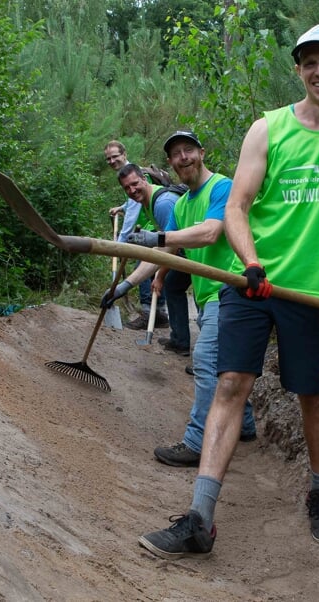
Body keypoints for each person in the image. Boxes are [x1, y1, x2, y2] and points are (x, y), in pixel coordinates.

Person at [138, 24, 319, 559]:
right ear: (298, 70)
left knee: (312, 396)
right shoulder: (268, 129)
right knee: (230, 384)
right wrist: (250, 261)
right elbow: (236, 207)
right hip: (252, 285)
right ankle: (200, 518)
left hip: (313, 292)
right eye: (309, 62)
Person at [100, 131, 258, 467]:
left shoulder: (222, 188)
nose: (183, 157)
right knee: (228, 362)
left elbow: (210, 232)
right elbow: (164, 253)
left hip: (228, 291)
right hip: (205, 296)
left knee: (203, 360)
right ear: (170, 163)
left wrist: (158, 235)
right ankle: (243, 424)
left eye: (188, 150)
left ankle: (197, 442)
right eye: (176, 154)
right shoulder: (183, 204)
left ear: (201, 153)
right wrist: (124, 286)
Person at [103, 140, 169, 329]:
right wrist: (121, 207)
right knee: (154, 269)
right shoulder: (131, 173)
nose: (112, 161)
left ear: (124, 154)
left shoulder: (134, 175)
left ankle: (150, 313)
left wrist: (120, 245)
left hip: (148, 229)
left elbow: (132, 215)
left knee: (143, 268)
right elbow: (132, 204)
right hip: (151, 226)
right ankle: (160, 312)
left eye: (115, 156)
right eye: (108, 158)